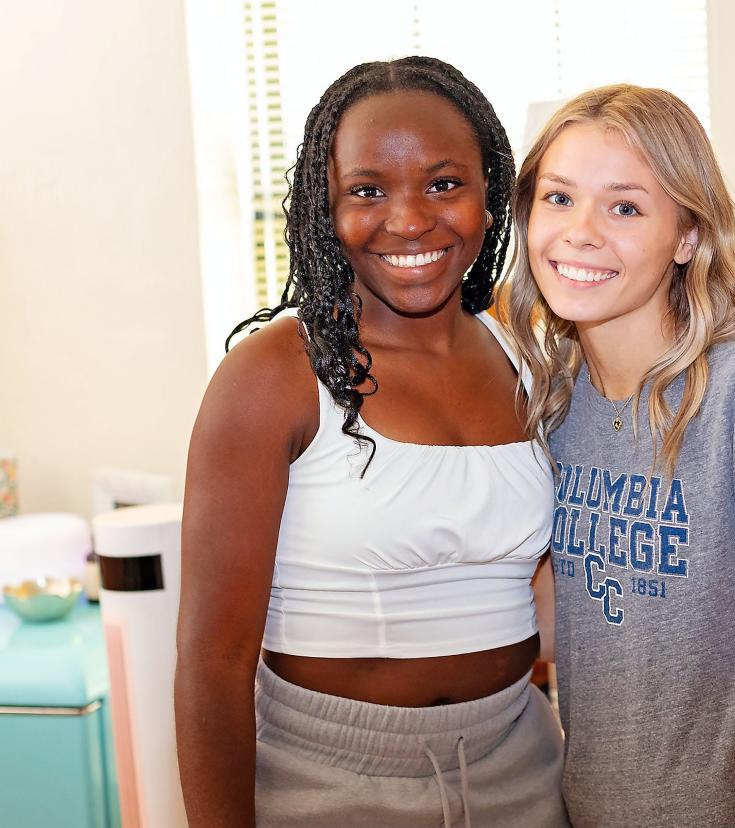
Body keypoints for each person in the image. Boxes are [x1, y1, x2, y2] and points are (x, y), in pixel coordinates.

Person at [176, 57, 568, 828]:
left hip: (523, 764)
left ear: (492, 195)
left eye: (444, 183)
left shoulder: (530, 359)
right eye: (367, 191)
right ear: (326, 209)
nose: (410, 218)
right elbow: (212, 664)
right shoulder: (273, 376)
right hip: (329, 780)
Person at [503, 85, 735, 827]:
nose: (581, 232)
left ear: (687, 236)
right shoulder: (553, 402)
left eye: (625, 207)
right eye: (559, 198)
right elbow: (558, 623)